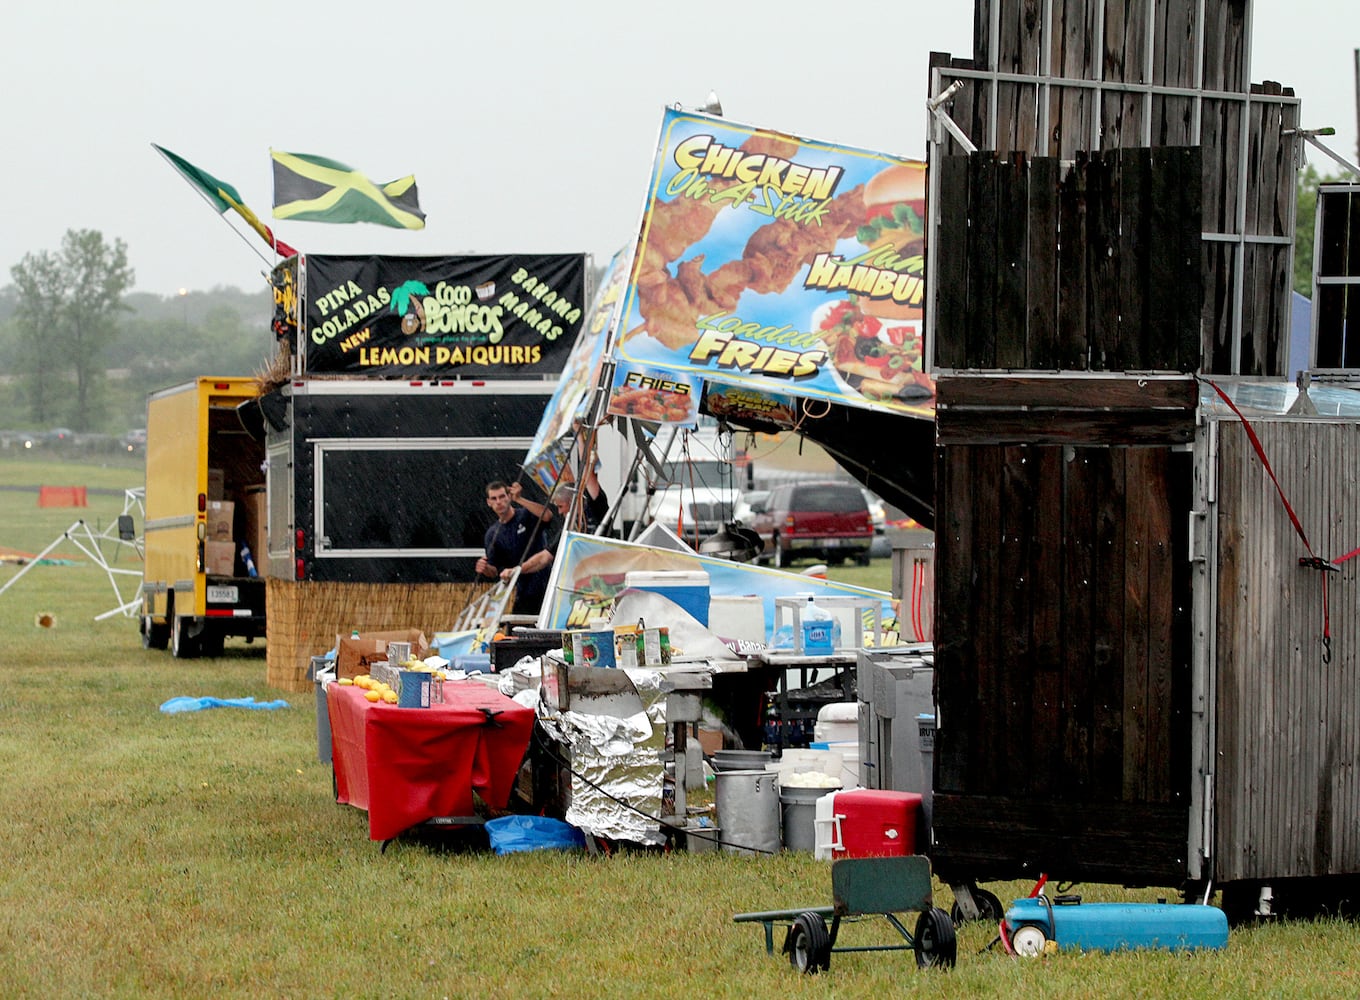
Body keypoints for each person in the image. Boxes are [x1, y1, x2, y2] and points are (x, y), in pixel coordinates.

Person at [475, 480, 552, 616]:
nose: (499, 502)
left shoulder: (526, 514)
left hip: (548, 584)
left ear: (509, 496)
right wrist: (484, 568)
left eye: (502, 496)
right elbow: (494, 570)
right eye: (494, 498)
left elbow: (547, 516)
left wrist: (520, 499)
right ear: (489, 502)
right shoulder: (492, 534)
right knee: (516, 631)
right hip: (523, 592)